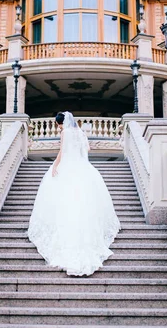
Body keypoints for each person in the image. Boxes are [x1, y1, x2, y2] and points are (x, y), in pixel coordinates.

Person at [28, 111, 121, 276]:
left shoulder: (65, 132)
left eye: (57, 125)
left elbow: (62, 152)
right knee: (83, 200)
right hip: (82, 167)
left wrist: (55, 166)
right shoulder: (80, 133)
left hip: (67, 166)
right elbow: (88, 148)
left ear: (59, 123)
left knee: (63, 201)